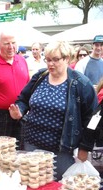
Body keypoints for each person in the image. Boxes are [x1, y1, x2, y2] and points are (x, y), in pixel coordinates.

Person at [9, 41, 98, 180]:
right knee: (32, 183)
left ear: (67, 58)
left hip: (62, 150)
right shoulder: (40, 77)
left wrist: (85, 147)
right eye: (48, 60)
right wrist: (19, 110)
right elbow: (23, 99)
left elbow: (93, 119)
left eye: (56, 60)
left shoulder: (81, 83)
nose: (51, 64)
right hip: (32, 144)